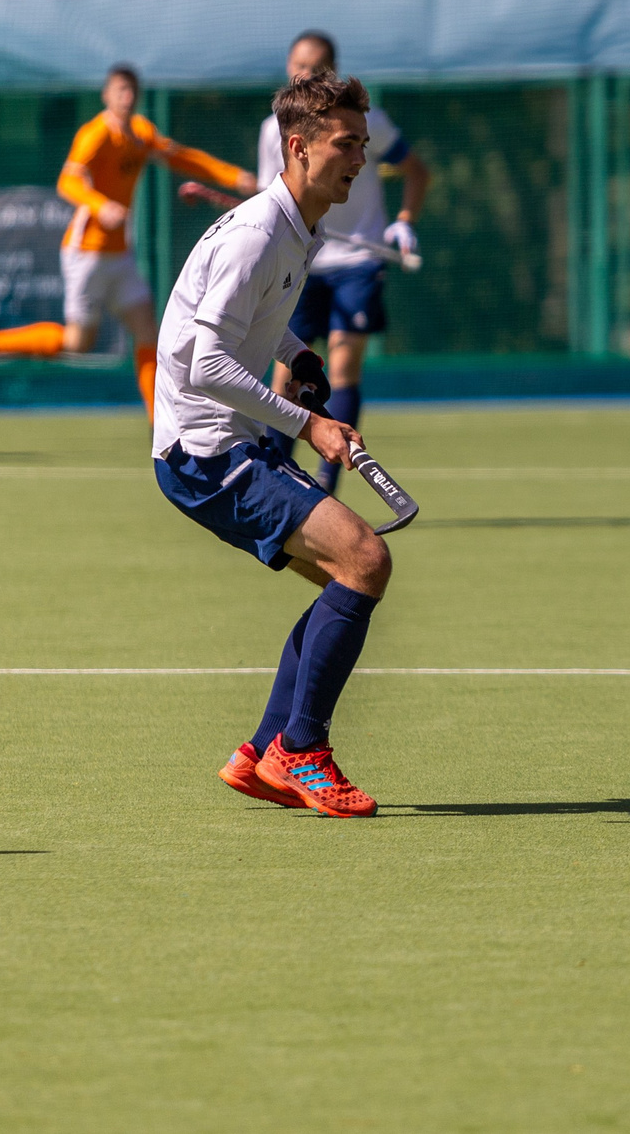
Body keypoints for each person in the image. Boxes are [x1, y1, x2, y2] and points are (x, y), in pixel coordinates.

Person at [154, 72, 395, 818]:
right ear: (299, 147)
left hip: (223, 446)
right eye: (345, 143)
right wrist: (310, 423)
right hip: (209, 455)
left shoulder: (296, 224)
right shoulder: (261, 232)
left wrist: (298, 351)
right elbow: (206, 362)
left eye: (363, 142)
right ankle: (303, 750)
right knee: (365, 558)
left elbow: (246, 321)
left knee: (341, 576)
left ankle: (262, 754)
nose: (359, 157)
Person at [0, 64, 253, 415]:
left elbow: (181, 157)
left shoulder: (141, 133)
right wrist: (100, 206)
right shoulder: (95, 134)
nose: (126, 98)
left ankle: (157, 420)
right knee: (77, 342)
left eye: (131, 91)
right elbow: (67, 182)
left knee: (148, 331)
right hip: (86, 253)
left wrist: (233, 176)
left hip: (120, 256)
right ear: (106, 95)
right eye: (120, 91)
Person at [256, 32, 427, 491]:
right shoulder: (272, 129)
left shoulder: (364, 121)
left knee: (343, 363)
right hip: (303, 260)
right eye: (296, 65)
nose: (302, 75)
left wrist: (404, 221)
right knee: (287, 372)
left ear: (329, 72)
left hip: (357, 259)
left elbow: (416, 169)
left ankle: (327, 482)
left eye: (313, 67)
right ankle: (275, 472)